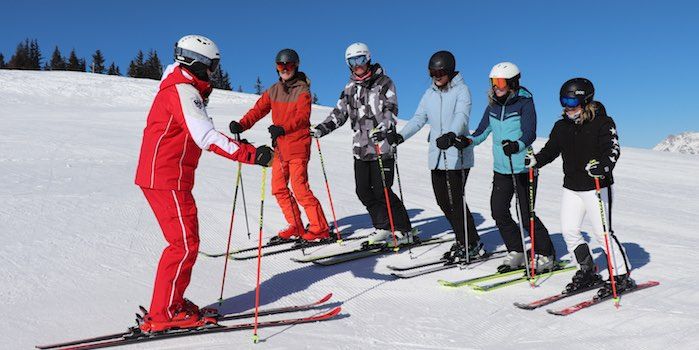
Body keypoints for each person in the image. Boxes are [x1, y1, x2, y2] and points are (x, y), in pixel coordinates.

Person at [134, 35, 273, 332]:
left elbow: (197, 133)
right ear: (198, 63)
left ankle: (171, 303)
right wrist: (251, 154)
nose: (213, 73)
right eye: (212, 67)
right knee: (183, 245)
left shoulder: (181, 88)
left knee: (185, 242)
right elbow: (206, 136)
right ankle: (164, 313)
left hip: (169, 177)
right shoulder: (182, 91)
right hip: (166, 178)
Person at [526, 78, 633, 296]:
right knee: (570, 231)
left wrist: (602, 167)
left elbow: (612, 150)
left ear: (585, 101)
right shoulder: (561, 126)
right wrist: (537, 160)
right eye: (563, 101)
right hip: (572, 187)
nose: (567, 107)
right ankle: (586, 271)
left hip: (596, 186)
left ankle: (621, 276)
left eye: (571, 101)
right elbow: (551, 150)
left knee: (602, 234)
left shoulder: (603, 122)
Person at [311, 42, 413, 246]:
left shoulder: (384, 82)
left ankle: (404, 229)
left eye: (361, 59)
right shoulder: (350, 88)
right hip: (360, 149)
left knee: (382, 191)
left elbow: (391, 110)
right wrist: (322, 129)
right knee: (363, 191)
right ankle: (383, 226)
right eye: (352, 61)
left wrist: (383, 128)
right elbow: (339, 114)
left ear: (368, 59)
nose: (357, 65)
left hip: (381, 147)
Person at [388, 50, 484, 261]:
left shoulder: (462, 91)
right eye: (432, 72)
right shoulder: (429, 94)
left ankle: (471, 242)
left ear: (449, 70)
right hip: (437, 156)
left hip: (457, 155)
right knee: (443, 201)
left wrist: (451, 134)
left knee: (455, 201)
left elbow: (462, 116)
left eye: (440, 72)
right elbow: (418, 118)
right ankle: (463, 239)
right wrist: (400, 136)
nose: (436, 76)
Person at [229, 49, 330, 242]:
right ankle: (296, 225)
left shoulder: (303, 90)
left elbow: (302, 118)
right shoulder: (273, 90)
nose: (285, 69)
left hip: (298, 145)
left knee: (300, 188)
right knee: (278, 188)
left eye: (289, 66)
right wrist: (242, 124)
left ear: (296, 66)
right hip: (280, 148)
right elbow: (258, 110)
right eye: (280, 66)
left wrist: (283, 128)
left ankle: (320, 228)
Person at [468, 62, 556, 272]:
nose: (496, 87)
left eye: (500, 82)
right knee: (498, 212)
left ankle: (546, 254)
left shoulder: (524, 102)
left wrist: (516, 145)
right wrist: (465, 141)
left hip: (524, 168)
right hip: (502, 169)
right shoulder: (492, 106)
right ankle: (517, 250)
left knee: (526, 215)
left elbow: (530, 133)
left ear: (513, 83)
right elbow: (480, 132)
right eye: (493, 82)